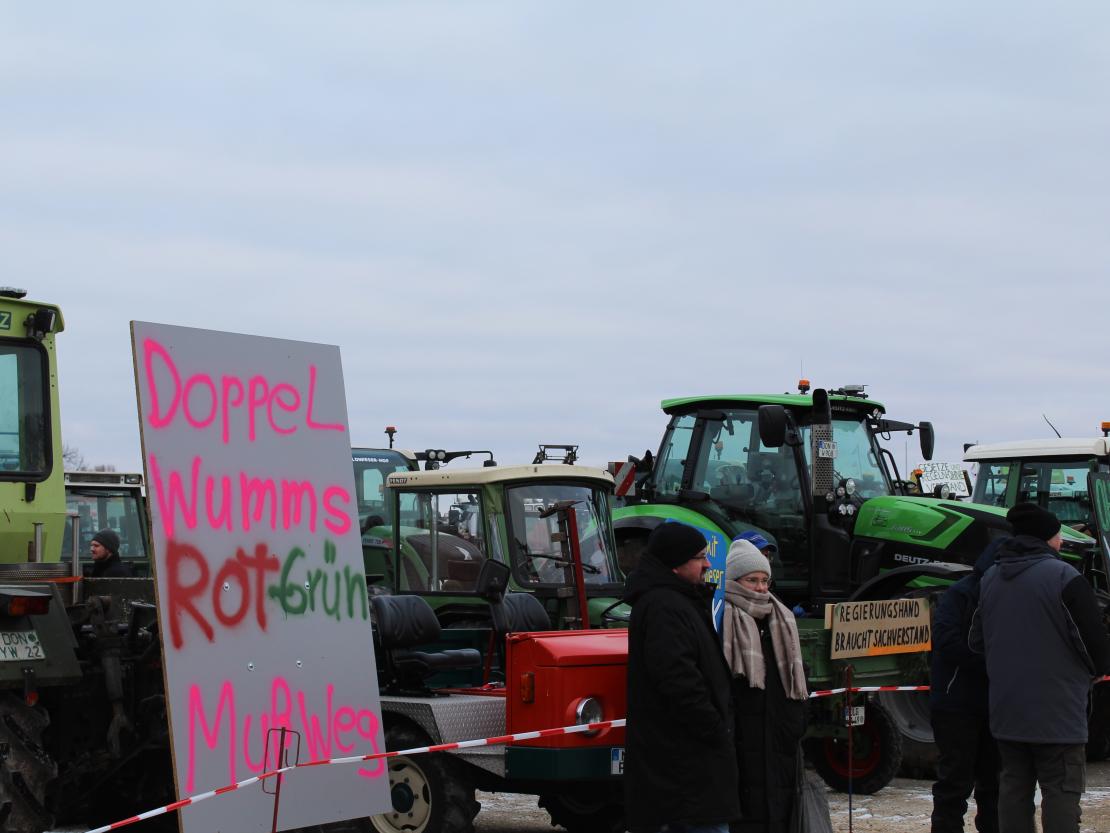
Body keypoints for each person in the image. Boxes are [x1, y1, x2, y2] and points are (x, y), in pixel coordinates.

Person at [972, 502, 1110, 833]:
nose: (1062, 541)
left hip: (1007, 711)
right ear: (1046, 538)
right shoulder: (1065, 578)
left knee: (1014, 790)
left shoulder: (990, 578)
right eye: (1059, 535)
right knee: (1061, 791)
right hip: (1058, 712)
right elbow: (1096, 649)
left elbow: (976, 641)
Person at [624, 522, 740, 833]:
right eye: (699, 557)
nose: (707, 564)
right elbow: (678, 681)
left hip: (687, 771)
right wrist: (715, 728)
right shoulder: (664, 607)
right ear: (675, 564)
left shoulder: (678, 601)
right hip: (683, 773)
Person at [721, 538, 808, 833]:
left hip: (779, 741)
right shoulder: (723, 620)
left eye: (764, 580)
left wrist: (795, 722)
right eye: (752, 580)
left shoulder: (781, 619)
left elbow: (799, 675)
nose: (760, 588)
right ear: (734, 580)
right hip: (743, 743)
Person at [929, 540, 1002, 833]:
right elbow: (946, 642)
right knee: (955, 782)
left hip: (992, 703)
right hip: (956, 702)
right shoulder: (961, 593)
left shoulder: (1001, 594)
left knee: (993, 782)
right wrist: (991, 664)